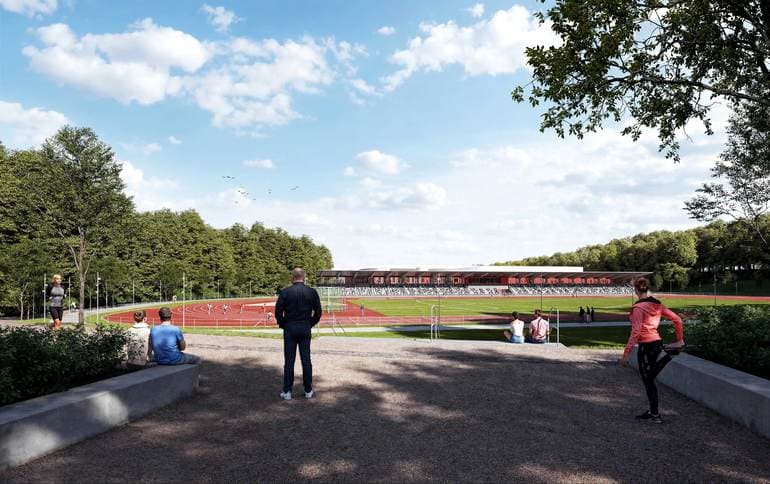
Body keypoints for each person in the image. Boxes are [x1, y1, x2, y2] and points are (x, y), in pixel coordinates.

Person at [621, 277, 685, 424]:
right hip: (657, 343)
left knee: (647, 379)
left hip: (646, 345)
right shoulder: (657, 304)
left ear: (636, 290)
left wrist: (626, 354)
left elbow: (636, 331)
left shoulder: (638, 308)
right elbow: (678, 320)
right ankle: (653, 412)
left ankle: (655, 415)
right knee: (650, 379)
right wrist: (680, 339)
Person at [275, 268, 322, 401]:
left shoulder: (285, 292)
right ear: (304, 277)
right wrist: (310, 324)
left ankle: (287, 391)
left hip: (290, 328)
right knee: (306, 360)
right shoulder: (312, 292)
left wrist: (284, 324)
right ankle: (308, 390)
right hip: (305, 327)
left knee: (289, 361)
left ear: (292, 277)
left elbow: (278, 312)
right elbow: (318, 312)